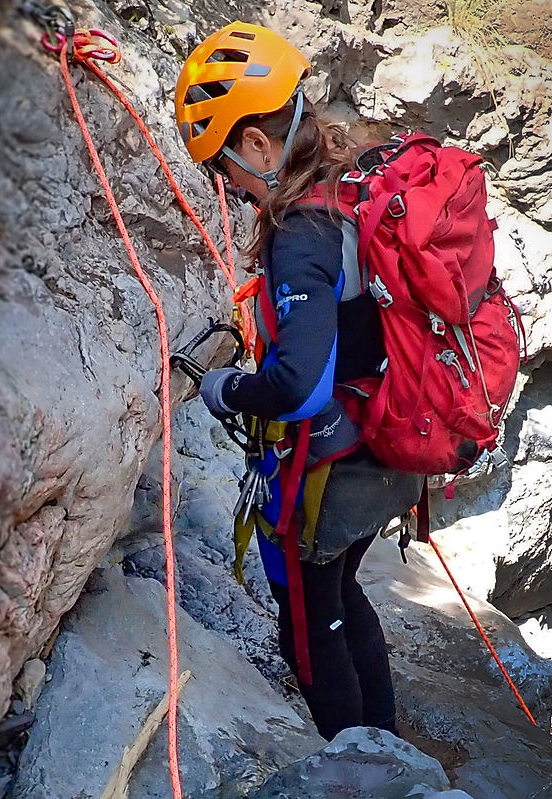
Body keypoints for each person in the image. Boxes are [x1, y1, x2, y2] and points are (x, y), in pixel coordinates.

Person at [175, 22, 423, 741]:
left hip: (342, 463)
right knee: (341, 594)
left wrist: (228, 391)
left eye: (223, 168)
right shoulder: (349, 183)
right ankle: (388, 749)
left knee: (310, 634)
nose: (227, 186)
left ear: (256, 143)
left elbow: (298, 388)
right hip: (390, 442)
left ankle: (359, 773)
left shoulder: (301, 231)